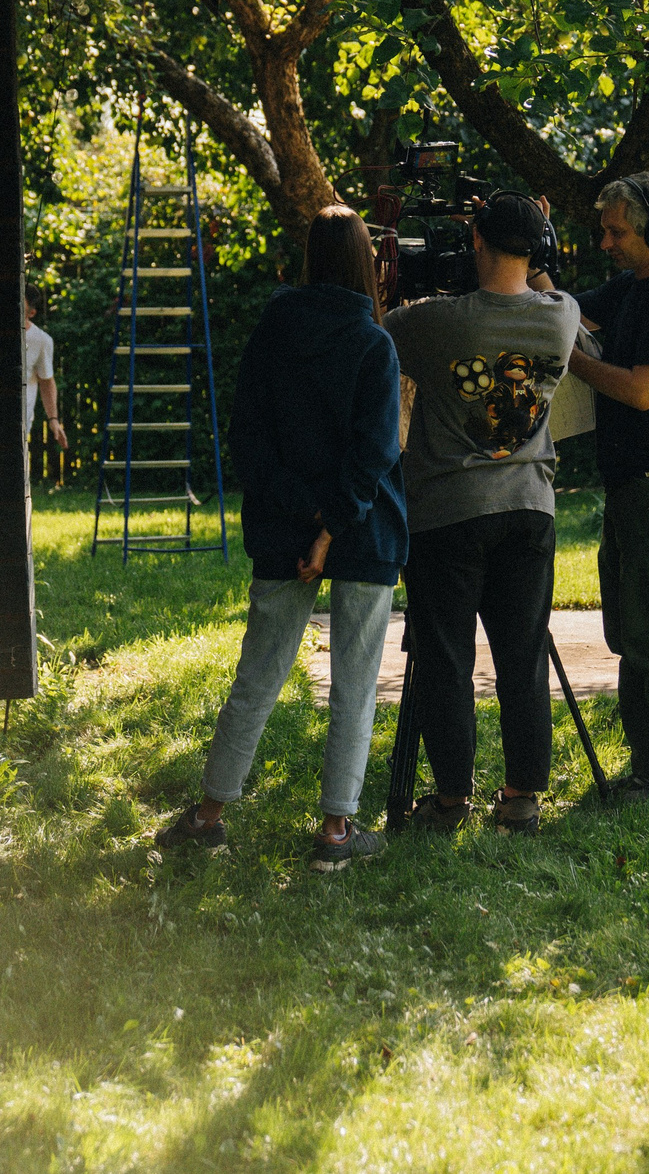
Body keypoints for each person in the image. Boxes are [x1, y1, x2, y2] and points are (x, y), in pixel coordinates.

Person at [155, 207, 406, 869]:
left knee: (258, 673)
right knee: (355, 682)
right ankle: (336, 832)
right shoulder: (373, 343)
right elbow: (375, 451)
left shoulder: (272, 332)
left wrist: (308, 517)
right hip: (362, 529)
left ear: (310, 258)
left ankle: (208, 815)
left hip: (281, 525)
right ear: (365, 261)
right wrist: (333, 525)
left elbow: (250, 440)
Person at [381, 192, 580, 834]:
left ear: (475, 241)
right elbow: (545, 285)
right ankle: (522, 797)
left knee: (446, 658)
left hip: (449, 509)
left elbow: (382, 327)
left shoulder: (437, 322)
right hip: (529, 507)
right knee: (523, 655)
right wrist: (540, 229)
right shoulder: (562, 316)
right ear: (538, 247)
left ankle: (450, 801)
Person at [544, 172, 649, 801]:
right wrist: (535, 254)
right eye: (605, 230)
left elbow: (644, 391)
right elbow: (569, 309)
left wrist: (575, 361)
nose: (606, 242)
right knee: (635, 632)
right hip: (633, 488)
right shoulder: (634, 286)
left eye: (617, 232)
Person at [22, 289, 66, 454]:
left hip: (20, 420)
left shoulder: (41, 340)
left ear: (31, 313)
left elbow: (46, 382)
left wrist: (53, 419)